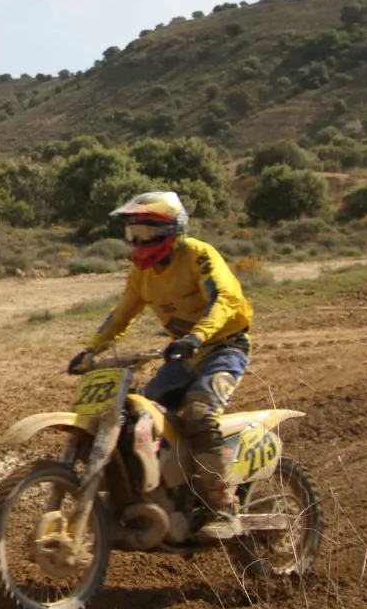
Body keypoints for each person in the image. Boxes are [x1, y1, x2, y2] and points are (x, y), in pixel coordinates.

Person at [68, 191, 253, 541]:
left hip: (223, 348)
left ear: (171, 231)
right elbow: (123, 312)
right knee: (141, 417)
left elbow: (224, 299)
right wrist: (90, 350)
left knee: (198, 412)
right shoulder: (143, 272)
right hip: (183, 352)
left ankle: (223, 505)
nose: (137, 242)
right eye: (132, 235)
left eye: (146, 234)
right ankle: (159, 494)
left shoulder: (198, 255)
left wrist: (197, 336)